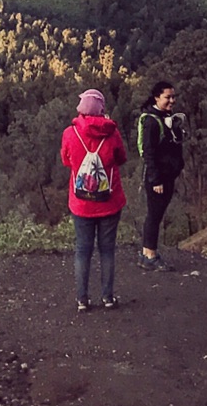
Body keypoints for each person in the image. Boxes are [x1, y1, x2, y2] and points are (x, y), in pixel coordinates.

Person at [60, 88, 128, 312]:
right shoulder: (112, 133)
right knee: (107, 250)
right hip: (109, 200)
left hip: (81, 203)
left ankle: (82, 300)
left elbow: (66, 160)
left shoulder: (70, 133)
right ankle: (108, 298)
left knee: (82, 250)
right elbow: (121, 159)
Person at [136, 80, 186, 271]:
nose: (172, 100)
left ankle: (147, 253)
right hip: (157, 178)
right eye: (168, 97)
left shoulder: (167, 117)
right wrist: (155, 179)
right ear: (157, 97)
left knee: (156, 214)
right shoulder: (151, 121)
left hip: (167, 176)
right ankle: (149, 255)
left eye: (173, 97)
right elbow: (148, 152)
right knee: (154, 215)